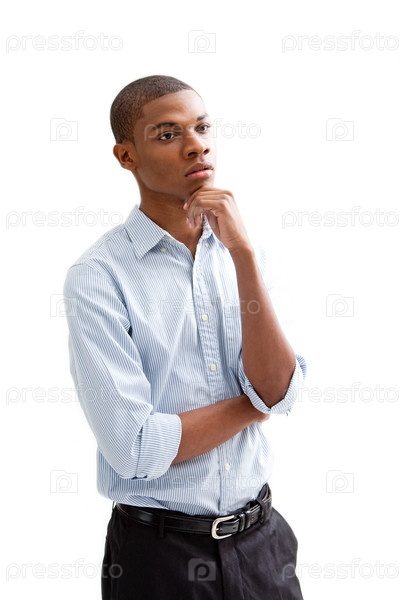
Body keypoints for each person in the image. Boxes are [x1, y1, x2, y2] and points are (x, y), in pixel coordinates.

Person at [64, 75, 307, 600]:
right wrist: (257, 403)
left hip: (263, 546)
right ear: (126, 156)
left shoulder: (247, 255)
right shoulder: (99, 277)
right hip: (158, 558)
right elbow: (135, 448)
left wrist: (242, 255)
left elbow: (281, 386)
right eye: (168, 134)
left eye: (202, 127)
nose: (197, 145)